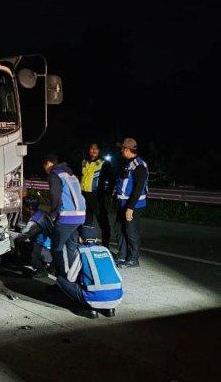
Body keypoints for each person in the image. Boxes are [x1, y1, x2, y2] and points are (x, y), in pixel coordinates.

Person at [57, 225, 123, 319]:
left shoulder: (82, 251)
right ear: (95, 239)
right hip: (117, 297)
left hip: (94, 299)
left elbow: (71, 278)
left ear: (80, 239)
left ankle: (89, 309)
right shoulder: (106, 250)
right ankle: (110, 310)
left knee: (60, 280)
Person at [43, 154, 87, 283]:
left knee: (56, 248)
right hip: (80, 215)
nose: (45, 169)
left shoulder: (54, 175)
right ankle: (78, 278)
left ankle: (61, 280)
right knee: (71, 247)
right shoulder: (69, 174)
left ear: (48, 163)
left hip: (67, 217)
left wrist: (52, 215)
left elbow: (55, 197)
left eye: (44, 166)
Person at [115, 137, 149, 268]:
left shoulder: (139, 165)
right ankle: (123, 255)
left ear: (127, 149)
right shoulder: (128, 163)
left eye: (122, 148)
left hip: (134, 205)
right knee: (119, 228)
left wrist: (130, 208)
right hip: (123, 204)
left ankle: (134, 258)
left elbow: (138, 188)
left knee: (131, 231)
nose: (121, 151)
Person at [80, 143, 115, 247]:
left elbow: (112, 178)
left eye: (96, 149)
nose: (93, 151)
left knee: (103, 223)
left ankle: (106, 245)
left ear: (100, 151)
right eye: (91, 148)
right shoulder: (84, 162)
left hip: (97, 197)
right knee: (86, 222)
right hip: (84, 196)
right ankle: (87, 242)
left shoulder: (104, 163)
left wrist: (108, 192)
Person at [12, 199, 53, 278]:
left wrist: (8, 233)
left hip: (43, 245)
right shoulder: (41, 213)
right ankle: (46, 263)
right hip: (49, 242)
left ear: (30, 207)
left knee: (24, 245)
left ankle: (41, 269)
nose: (22, 209)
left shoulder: (34, 222)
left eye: (23, 207)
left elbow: (22, 237)